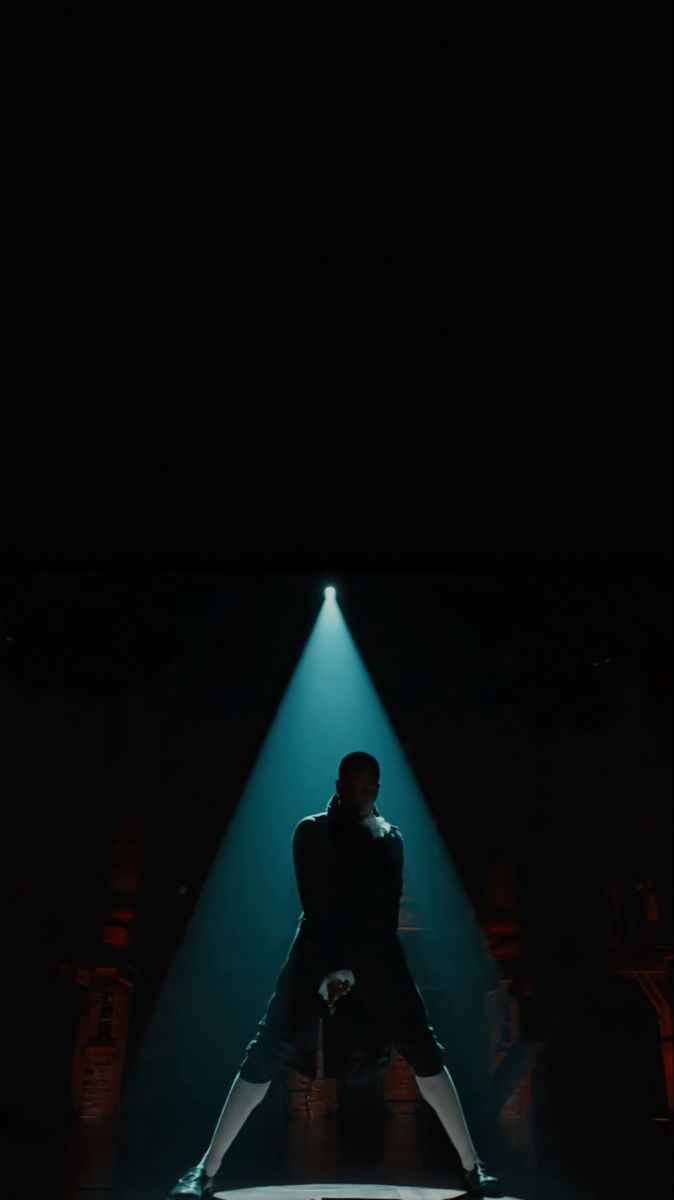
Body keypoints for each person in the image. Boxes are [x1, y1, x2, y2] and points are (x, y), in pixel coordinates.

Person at [167, 752, 503, 1197]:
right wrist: (332, 968)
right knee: (266, 1050)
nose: (359, 797)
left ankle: (472, 1167)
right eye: (352, 787)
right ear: (339, 785)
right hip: (316, 951)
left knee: (423, 1048)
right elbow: (317, 904)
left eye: (368, 790)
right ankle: (205, 1171)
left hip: (378, 958)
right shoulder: (311, 831)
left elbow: (383, 913)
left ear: (377, 791)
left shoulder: (390, 838)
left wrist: (360, 969)